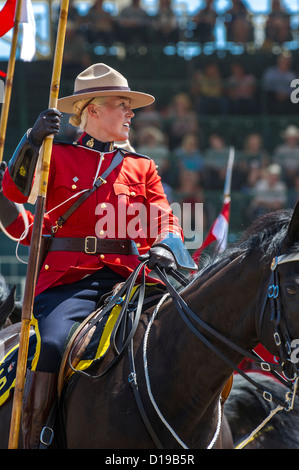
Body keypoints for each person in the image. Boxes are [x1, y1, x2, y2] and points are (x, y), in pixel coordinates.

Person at [0, 63, 196, 448]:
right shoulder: (58, 154)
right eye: (121, 104)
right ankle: (35, 434)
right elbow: (15, 191)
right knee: (53, 343)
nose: (130, 113)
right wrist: (33, 139)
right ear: (92, 110)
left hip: (132, 279)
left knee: (188, 328)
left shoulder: (141, 166)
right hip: (69, 282)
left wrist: (166, 245)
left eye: (130, 105)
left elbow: (165, 218)